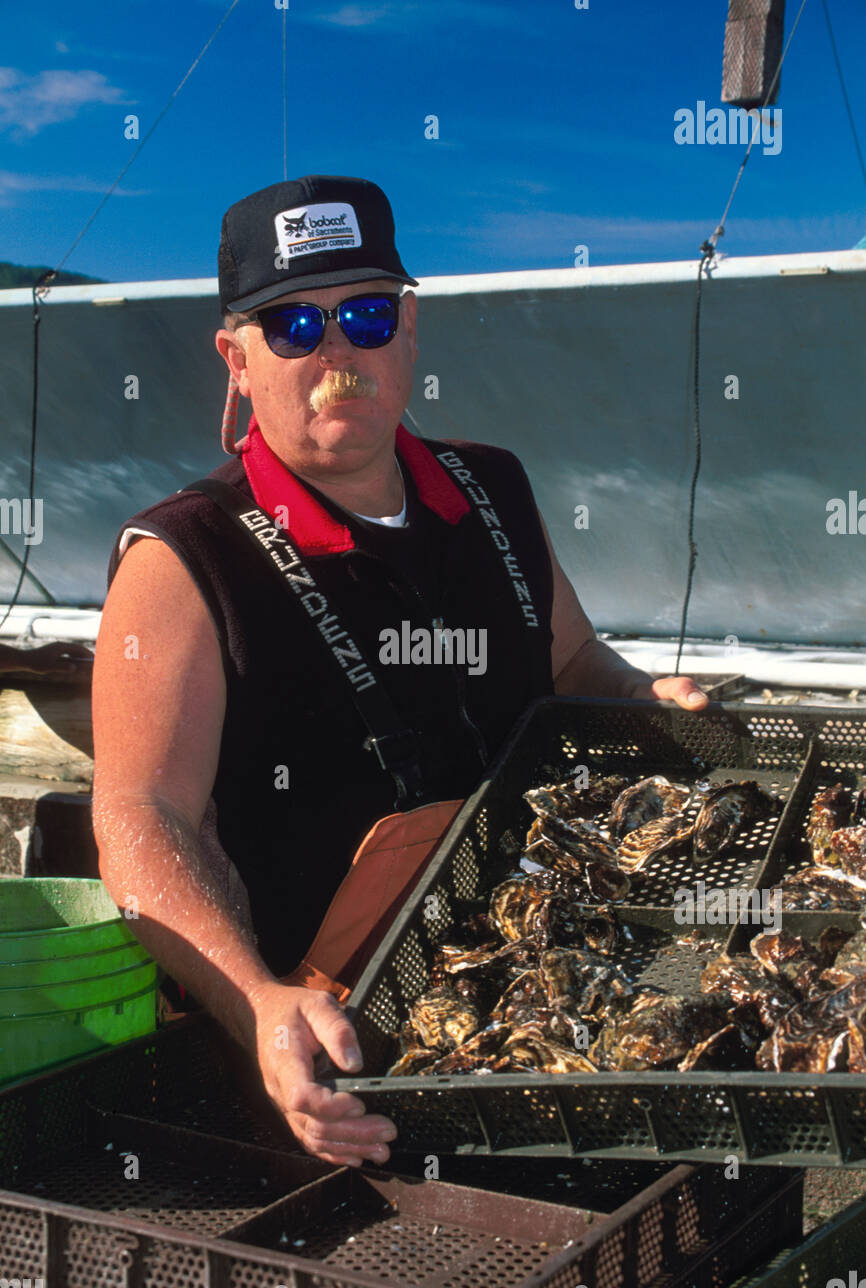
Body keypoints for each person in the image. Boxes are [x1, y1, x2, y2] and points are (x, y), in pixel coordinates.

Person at [92, 175, 707, 1169]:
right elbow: (140, 816)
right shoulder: (183, 557)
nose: (336, 350)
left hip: (540, 995)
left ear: (408, 330)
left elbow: (573, 658)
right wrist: (258, 1002)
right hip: (332, 1069)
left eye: (366, 314)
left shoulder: (492, 487)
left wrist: (641, 695)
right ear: (235, 357)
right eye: (292, 324)